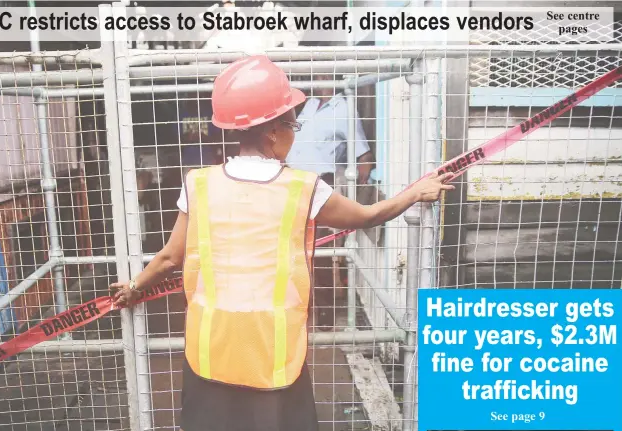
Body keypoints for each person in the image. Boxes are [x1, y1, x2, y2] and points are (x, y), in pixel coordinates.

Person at [110, 55, 454, 431]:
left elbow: (169, 258)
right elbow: (368, 216)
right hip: (273, 357)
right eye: (294, 124)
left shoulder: (199, 184)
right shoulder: (304, 189)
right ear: (274, 131)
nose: (296, 132)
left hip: (210, 354)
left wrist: (133, 287)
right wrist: (416, 193)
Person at [284, 74, 375, 329]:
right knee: (292, 246)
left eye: (324, 73)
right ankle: (297, 304)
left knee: (319, 250)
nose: (319, 78)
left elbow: (364, 155)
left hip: (319, 184)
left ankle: (324, 309)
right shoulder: (310, 105)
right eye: (317, 74)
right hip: (291, 181)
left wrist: (356, 196)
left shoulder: (344, 108)